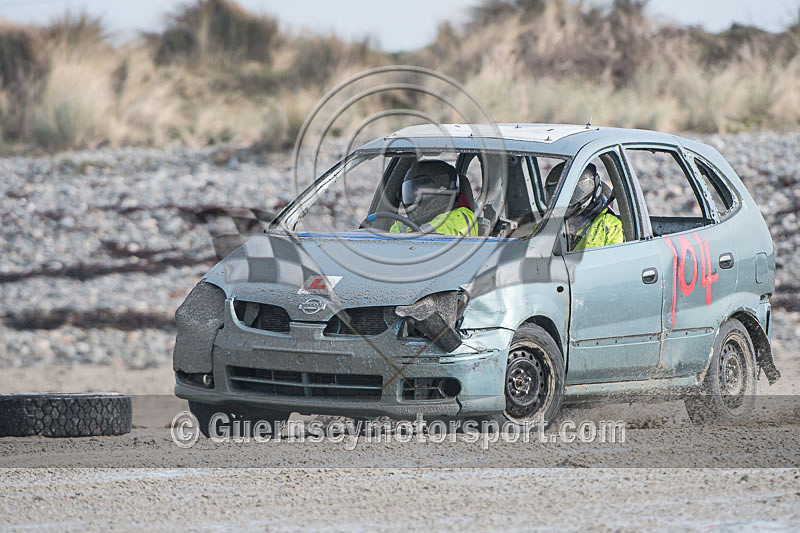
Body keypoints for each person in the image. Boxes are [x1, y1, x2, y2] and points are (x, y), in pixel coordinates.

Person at [544, 162, 623, 250]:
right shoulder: (548, 224)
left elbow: (614, 260)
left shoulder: (610, 227)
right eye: (557, 193)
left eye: (575, 192)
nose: (567, 199)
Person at [390, 160, 477, 236]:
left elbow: (432, 234)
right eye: (413, 188)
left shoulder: (462, 217)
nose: (415, 193)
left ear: (442, 190)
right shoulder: (403, 224)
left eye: (422, 186)